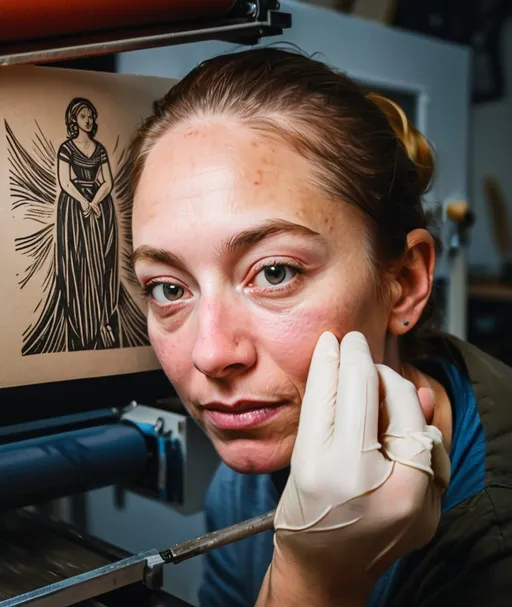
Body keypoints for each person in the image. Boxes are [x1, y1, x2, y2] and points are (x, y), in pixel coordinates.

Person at [129, 48, 512, 606]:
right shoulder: (259, 450)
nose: (210, 355)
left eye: (275, 273)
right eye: (168, 288)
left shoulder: (493, 552)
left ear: (403, 282)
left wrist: (312, 580)